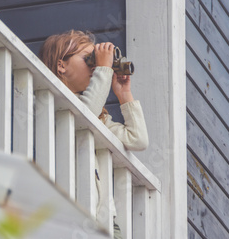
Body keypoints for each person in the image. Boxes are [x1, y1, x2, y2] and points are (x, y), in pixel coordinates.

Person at [39, 30, 149, 238]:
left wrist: (124, 95)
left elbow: (138, 139)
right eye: (88, 59)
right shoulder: (52, 105)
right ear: (61, 65)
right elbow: (84, 115)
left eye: (95, 61)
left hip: (103, 221)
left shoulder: (98, 116)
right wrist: (104, 69)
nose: (95, 66)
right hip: (72, 212)